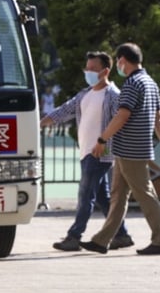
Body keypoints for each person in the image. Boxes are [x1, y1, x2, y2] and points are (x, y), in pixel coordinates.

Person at [80, 42, 160, 256]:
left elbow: (122, 115)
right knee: (118, 196)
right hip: (131, 149)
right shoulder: (150, 82)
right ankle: (101, 241)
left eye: (118, 62)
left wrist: (102, 140)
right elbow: (158, 119)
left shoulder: (132, 84)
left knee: (145, 194)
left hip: (130, 150)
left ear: (122, 61)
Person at [40, 51, 134, 251]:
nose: (88, 72)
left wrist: (105, 142)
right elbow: (64, 110)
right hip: (86, 152)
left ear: (105, 71)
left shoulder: (113, 95)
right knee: (103, 197)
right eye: (87, 68)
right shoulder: (84, 94)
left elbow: (122, 121)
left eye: (93, 69)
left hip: (100, 152)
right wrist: (42, 122)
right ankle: (122, 234)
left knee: (85, 195)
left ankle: (74, 236)